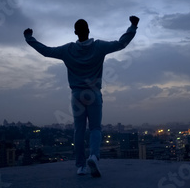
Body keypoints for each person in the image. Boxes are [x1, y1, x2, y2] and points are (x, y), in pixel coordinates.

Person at [23, 16, 139, 177]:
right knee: (95, 128)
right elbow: (121, 43)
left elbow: (46, 51)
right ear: (88, 31)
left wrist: (29, 38)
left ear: (75, 32)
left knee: (79, 130)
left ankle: (81, 166)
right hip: (93, 93)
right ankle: (93, 156)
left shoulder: (67, 50)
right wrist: (133, 26)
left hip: (77, 94)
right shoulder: (99, 46)